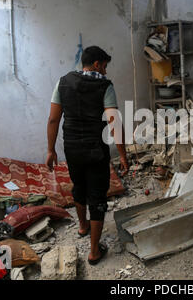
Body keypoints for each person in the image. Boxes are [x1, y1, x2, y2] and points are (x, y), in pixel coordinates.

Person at [46, 46, 129, 265]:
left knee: (79, 186)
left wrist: (50, 149)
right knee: (97, 197)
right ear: (96, 64)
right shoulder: (104, 86)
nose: (105, 71)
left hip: (72, 148)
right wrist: (123, 155)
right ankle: (94, 251)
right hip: (95, 150)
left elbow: (53, 119)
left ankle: (82, 226)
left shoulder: (63, 82)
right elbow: (114, 123)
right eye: (104, 66)